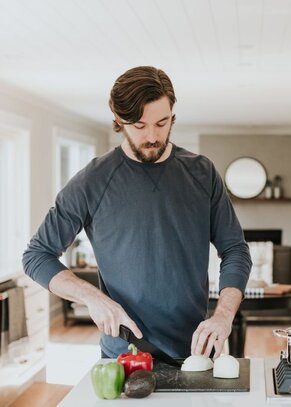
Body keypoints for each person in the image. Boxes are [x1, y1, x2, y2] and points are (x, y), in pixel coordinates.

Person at [22, 66, 252, 359]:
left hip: (197, 351)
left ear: (172, 116)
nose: (153, 136)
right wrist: (93, 298)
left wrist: (222, 316)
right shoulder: (93, 180)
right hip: (124, 354)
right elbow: (36, 256)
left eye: (162, 122)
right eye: (139, 126)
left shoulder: (201, 172)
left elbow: (235, 250)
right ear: (119, 120)